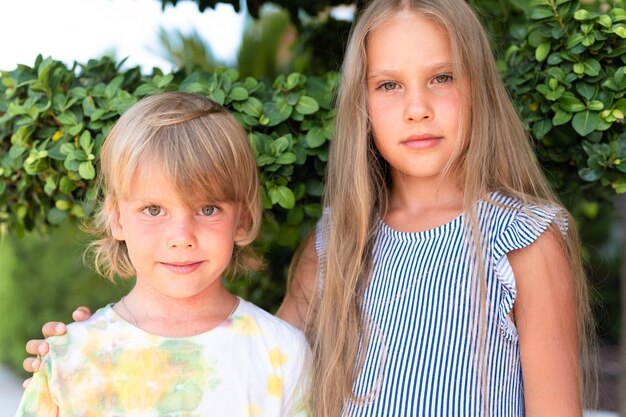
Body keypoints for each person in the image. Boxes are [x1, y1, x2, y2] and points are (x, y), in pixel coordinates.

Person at [24, 0, 596, 415]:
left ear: (478, 89)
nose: (417, 108)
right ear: (361, 104)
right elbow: (242, 362)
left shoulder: (523, 240)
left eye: (442, 77)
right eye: (389, 85)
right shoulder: (335, 243)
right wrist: (108, 348)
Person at [16, 92, 310, 417]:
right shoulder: (72, 355)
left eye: (208, 208)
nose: (181, 238)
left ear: (243, 219)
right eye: (153, 209)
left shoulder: (283, 352)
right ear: (116, 218)